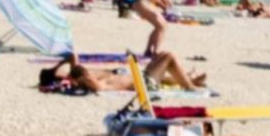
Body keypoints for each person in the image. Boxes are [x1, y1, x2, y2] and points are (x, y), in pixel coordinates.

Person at [38, 52, 208, 92]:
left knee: (161, 55)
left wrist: (54, 70)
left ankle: (188, 79)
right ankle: (190, 86)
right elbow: (94, 87)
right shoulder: (93, 83)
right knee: (169, 56)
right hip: (144, 83)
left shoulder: (78, 73)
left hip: (140, 76)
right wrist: (59, 77)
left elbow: (72, 56)